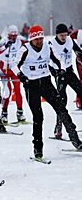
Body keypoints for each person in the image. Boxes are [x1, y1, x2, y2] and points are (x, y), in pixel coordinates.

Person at [12, 25, 82, 158]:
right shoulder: (25, 49)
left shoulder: (47, 47)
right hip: (31, 85)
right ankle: (38, 148)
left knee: (61, 109)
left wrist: (61, 69)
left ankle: (75, 140)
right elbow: (14, 65)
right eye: (36, 39)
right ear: (31, 39)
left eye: (40, 38)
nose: (39, 41)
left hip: (45, 82)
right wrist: (21, 76)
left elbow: (58, 59)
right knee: (38, 117)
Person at [49, 23, 82, 139]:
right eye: (61, 35)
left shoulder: (69, 41)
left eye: (65, 35)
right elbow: (49, 62)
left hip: (69, 71)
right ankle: (58, 128)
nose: (64, 37)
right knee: (62, 101)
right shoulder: (51, 44)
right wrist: (55, 73)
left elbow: (78, 52)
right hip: (59, 73)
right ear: (57, 35)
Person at [0, 25, 26, 124]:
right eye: (11, 36)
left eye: (15, 35)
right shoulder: (4, 40)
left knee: (17, 90)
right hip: (4, 69)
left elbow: (29, 46)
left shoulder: (20, 41)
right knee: (7, 91)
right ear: (8, 34)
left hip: (14, 68)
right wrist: (5, 46)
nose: (13, 38)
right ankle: (4, 113)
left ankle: (20, 112)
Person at [70, 28, 82, 109]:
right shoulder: (79, 32)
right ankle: (79, 101)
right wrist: (76, 49)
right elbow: (69, 38)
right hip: (81, 59)